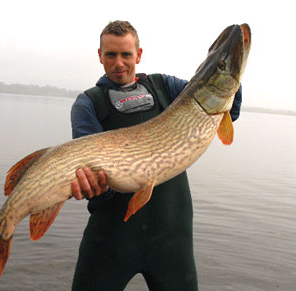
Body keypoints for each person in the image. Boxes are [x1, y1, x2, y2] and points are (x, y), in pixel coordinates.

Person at [70, 20, 242, 291]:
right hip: (110, 241)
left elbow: (225, 108)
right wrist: (96, 189)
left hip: (172, 240)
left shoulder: (165, 86)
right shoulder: (88, 103)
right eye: (111, 55)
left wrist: (232, 75)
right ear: (100, 56)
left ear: (138, 55)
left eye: (126, 54)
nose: (119, 63)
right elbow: (90, 181)